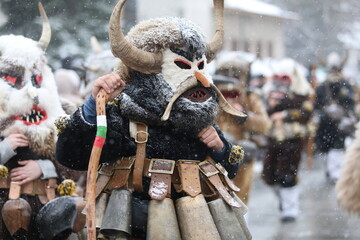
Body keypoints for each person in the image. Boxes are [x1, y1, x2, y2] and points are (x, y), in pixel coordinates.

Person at [56, 0, 252, 239]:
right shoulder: (122, 115)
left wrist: (221, 148)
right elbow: (71, 154)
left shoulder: (199, 119)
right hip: (129, 227)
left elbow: (230, 168)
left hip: (198, 226)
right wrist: (92, 104)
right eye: (182, 65)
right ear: (149, 74)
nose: (199, 78)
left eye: (200, 65)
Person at [0, 3, 85, 239]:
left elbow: (76, 163)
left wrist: (44, 167)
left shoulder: (62, 110)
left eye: (36, 80)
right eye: (14, 80)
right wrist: (5, 148)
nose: (30, 91)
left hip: (47, 204)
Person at [213, 52, 270, 208]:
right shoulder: (210, 95)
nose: (231, 79)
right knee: (215, 199)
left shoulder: (250, 97)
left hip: (241, 153)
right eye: (226, 74)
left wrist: (244, 116)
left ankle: (241, 230)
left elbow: (265, 125)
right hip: (214, 154)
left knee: (240, 199)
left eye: (236, 75)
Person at [261, 58, 313, 223]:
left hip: (293, 139)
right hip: (274, 138)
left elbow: (306, 113)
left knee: (288, 175)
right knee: (269, 174)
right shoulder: (272, 91)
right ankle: (285, 201)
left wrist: (285, 115)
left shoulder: (302, 92)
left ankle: (290, 209)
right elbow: (266, 112)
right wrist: (272, 106)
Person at [314, 53, 356, 183]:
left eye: (336, 69)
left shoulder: (345, 85)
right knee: (325, 149)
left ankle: (335, 173)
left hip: (339, 123)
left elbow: (351, 103)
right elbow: (317, 104)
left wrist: (343, 109)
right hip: (325, 123)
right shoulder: (322, 86)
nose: (334, 72)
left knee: (337, 148)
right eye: (332, 69)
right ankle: (330, 171)